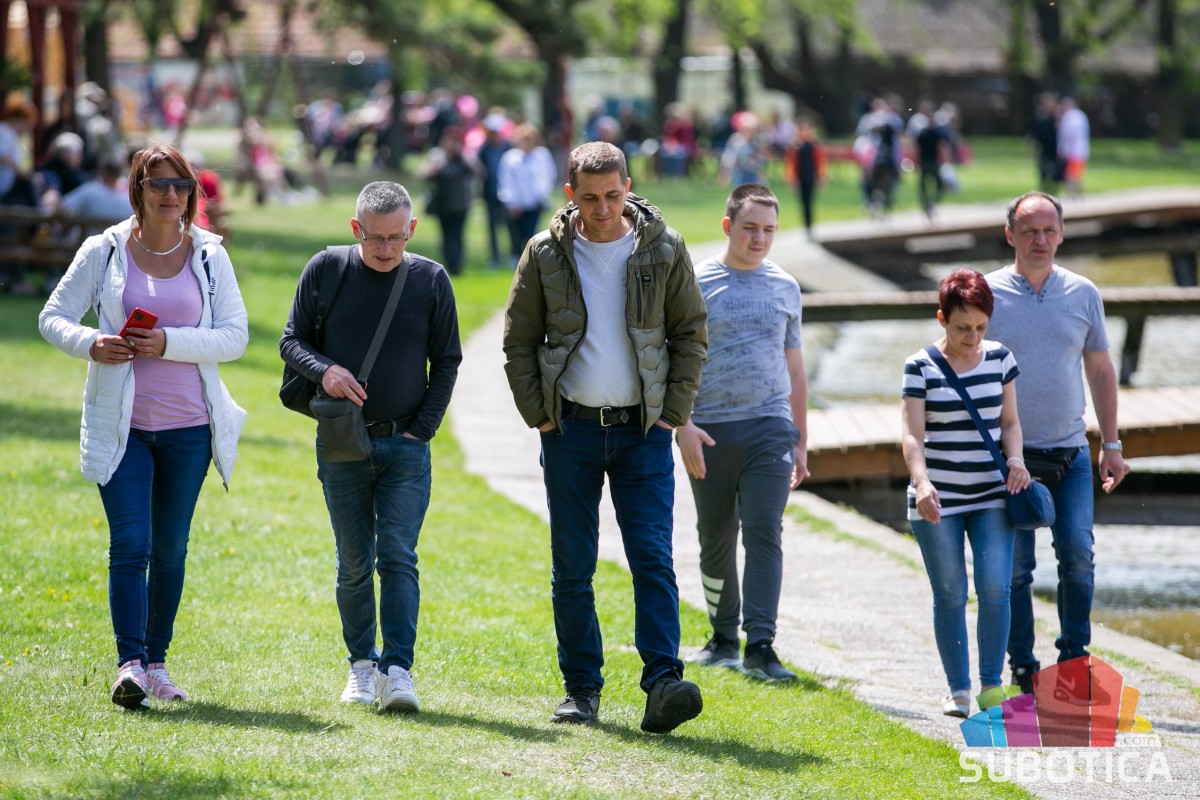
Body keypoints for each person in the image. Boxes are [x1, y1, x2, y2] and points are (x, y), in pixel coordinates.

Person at [502, 141, 708, 732]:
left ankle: (663, 684)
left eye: (613, 195)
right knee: (572, 566)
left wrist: (671, 416)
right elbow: (519, 340)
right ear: (570, 195)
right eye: (590, 198)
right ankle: (581, 691)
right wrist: (540, 417)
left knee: (653, 558)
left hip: (643, 432)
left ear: (628, 188)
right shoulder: (544, 252)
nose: (602, 208)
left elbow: (691, 333)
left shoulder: (664, 247)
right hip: (569, 430)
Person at [38, 144, 249, 710]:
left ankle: (157, 664)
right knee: (131, 543)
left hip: (190, 428)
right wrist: (91, 342)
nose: (171, 195)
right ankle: (129, 665)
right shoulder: (104, 250)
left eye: (181, 185)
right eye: (159, 184)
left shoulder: (209, 255)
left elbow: (235, 336)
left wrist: (167, 343)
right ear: (138, 189)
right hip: (122, 425)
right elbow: (52, 317)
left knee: (171, 550)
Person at [279, 181, 461, 713]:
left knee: (398, 556)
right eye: (375, 237)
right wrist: (325, 371)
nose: (386, 249)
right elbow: (290, 340)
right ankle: (361, 665)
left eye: (397, 238)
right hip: (342, 442)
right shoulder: (326, 269)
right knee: (355, 561)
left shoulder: (430, 279)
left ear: (412, 229)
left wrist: (422, 430)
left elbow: (447, 361)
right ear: (356, 228)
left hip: (405, 444)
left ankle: (398, 671)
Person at [986, 191, 1131, 695]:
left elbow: (1101, 369)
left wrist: (1111, 443)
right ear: (1010, 235)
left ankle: (1072, 662)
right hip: (1009, 460)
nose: (1040, 240)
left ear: (1062, 234)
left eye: (1049, 230)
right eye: (1029, 230)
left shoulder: (1083, 293)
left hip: (1070, 453)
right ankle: (1023, 668)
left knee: (1077, 556)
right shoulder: (988, 294)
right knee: (1015, 571)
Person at [675, 184, 808, 683]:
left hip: (770, 428)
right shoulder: (696, 280)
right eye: (750, 228)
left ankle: (762, 646)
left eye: (769, 230)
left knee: (763, 530)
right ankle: (723, 639)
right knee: (714, 537)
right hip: (707, 430)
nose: (760, 239)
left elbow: (796, 370)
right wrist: (683, 425)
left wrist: (800, 439)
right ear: (728, 225)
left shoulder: (786, 287)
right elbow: (672, 358)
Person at [901, 268, 1030, 718]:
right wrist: (921, 483)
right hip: (937, 497)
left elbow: (1010, 423)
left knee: (995, 588)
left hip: (993, 493)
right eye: (962, 328)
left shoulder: (1001, 359)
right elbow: (912, 435)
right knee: (951, 592)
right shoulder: (919, 366)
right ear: (942, 318)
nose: (972, 337)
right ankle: (958, 690)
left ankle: (991, 688)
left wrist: (1017, 459)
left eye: (980, 327)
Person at [420, 127, 479, 275]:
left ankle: (456, 266)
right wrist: (435, 168)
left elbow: (479, 172)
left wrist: (461, 156)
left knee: (457, 236)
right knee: (445, 237)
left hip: (461, 205)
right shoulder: (436, 156)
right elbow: (423, 175)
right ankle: (447, 264)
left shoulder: (465, 156)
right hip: (442, 204)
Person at [497, 123, 557, 267]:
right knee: (515, 234)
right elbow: (506, 181)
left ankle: (529, 261)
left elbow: (549, 176)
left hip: (534, 203)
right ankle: (515, 258)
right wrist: (511, 202)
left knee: (530, 233)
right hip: (515, 205)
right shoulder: (510, 158)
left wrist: (542, 194)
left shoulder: (542, 156)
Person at [477, 113, 512, 268]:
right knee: (492, 228)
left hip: (508, 194)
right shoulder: (484, 149)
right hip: (490, 194)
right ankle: (495, 258)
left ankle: (513, 255)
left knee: (510, 226)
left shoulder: (508, 147)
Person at [1028, 92, 1061, 194]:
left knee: (1055, 172)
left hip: (1055, 148)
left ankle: (1053, 190)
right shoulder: (1040, 116)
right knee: (1043, 171)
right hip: (1043, 148)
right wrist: (1033, 148)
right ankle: (1044, 190)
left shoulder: (1057, 116)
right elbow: (1033, 133)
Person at [1057, 98, 1089, 199]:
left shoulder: (1069, 116)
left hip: (1072, 151)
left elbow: (1068, 135)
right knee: (1077, 174)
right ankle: (1078, 194)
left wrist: (1062, 149)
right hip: (1082, 150)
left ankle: (1072, 194)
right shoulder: (1081, 115)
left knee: (1070, 175)